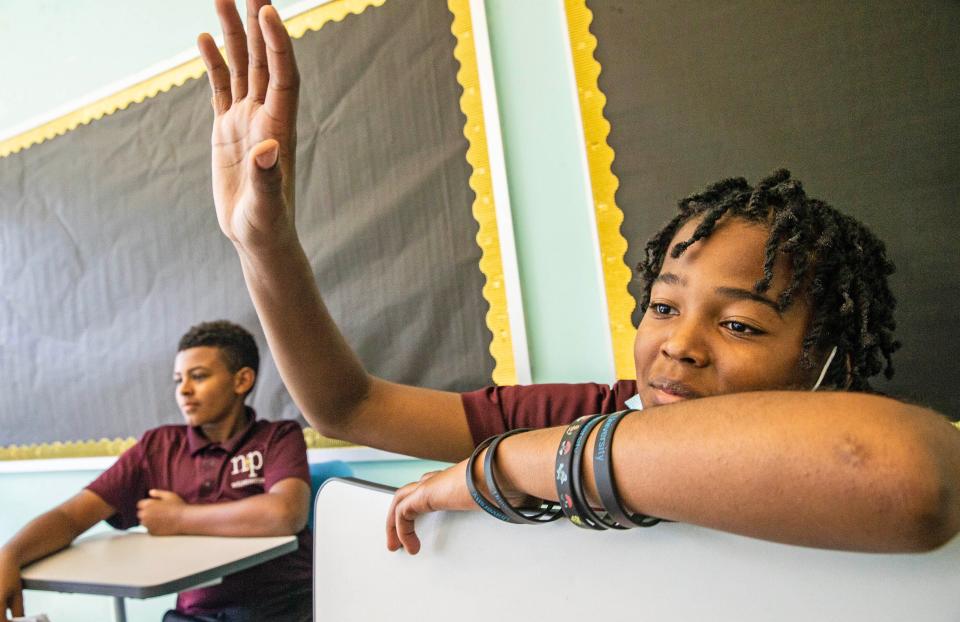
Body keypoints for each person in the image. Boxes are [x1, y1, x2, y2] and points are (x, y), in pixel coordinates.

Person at [195, 0, 960, 558]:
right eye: (663, 306)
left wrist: (506, 465)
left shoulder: (844, 444)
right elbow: (349, 405)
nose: (679, 347)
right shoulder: (595, 410)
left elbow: (901, 474)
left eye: (740, 324)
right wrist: (264, 246)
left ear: (827, 367)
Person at [0, 321, 313, 622]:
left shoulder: (278, 437)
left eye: (199, 376)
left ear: (242, 380)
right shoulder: (157, 448)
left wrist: (178, 517)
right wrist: (9, 555)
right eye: (179, 380)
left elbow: (285, 513)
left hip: (289, 609)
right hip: (200, 619)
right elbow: (71, 516)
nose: (184, 390)